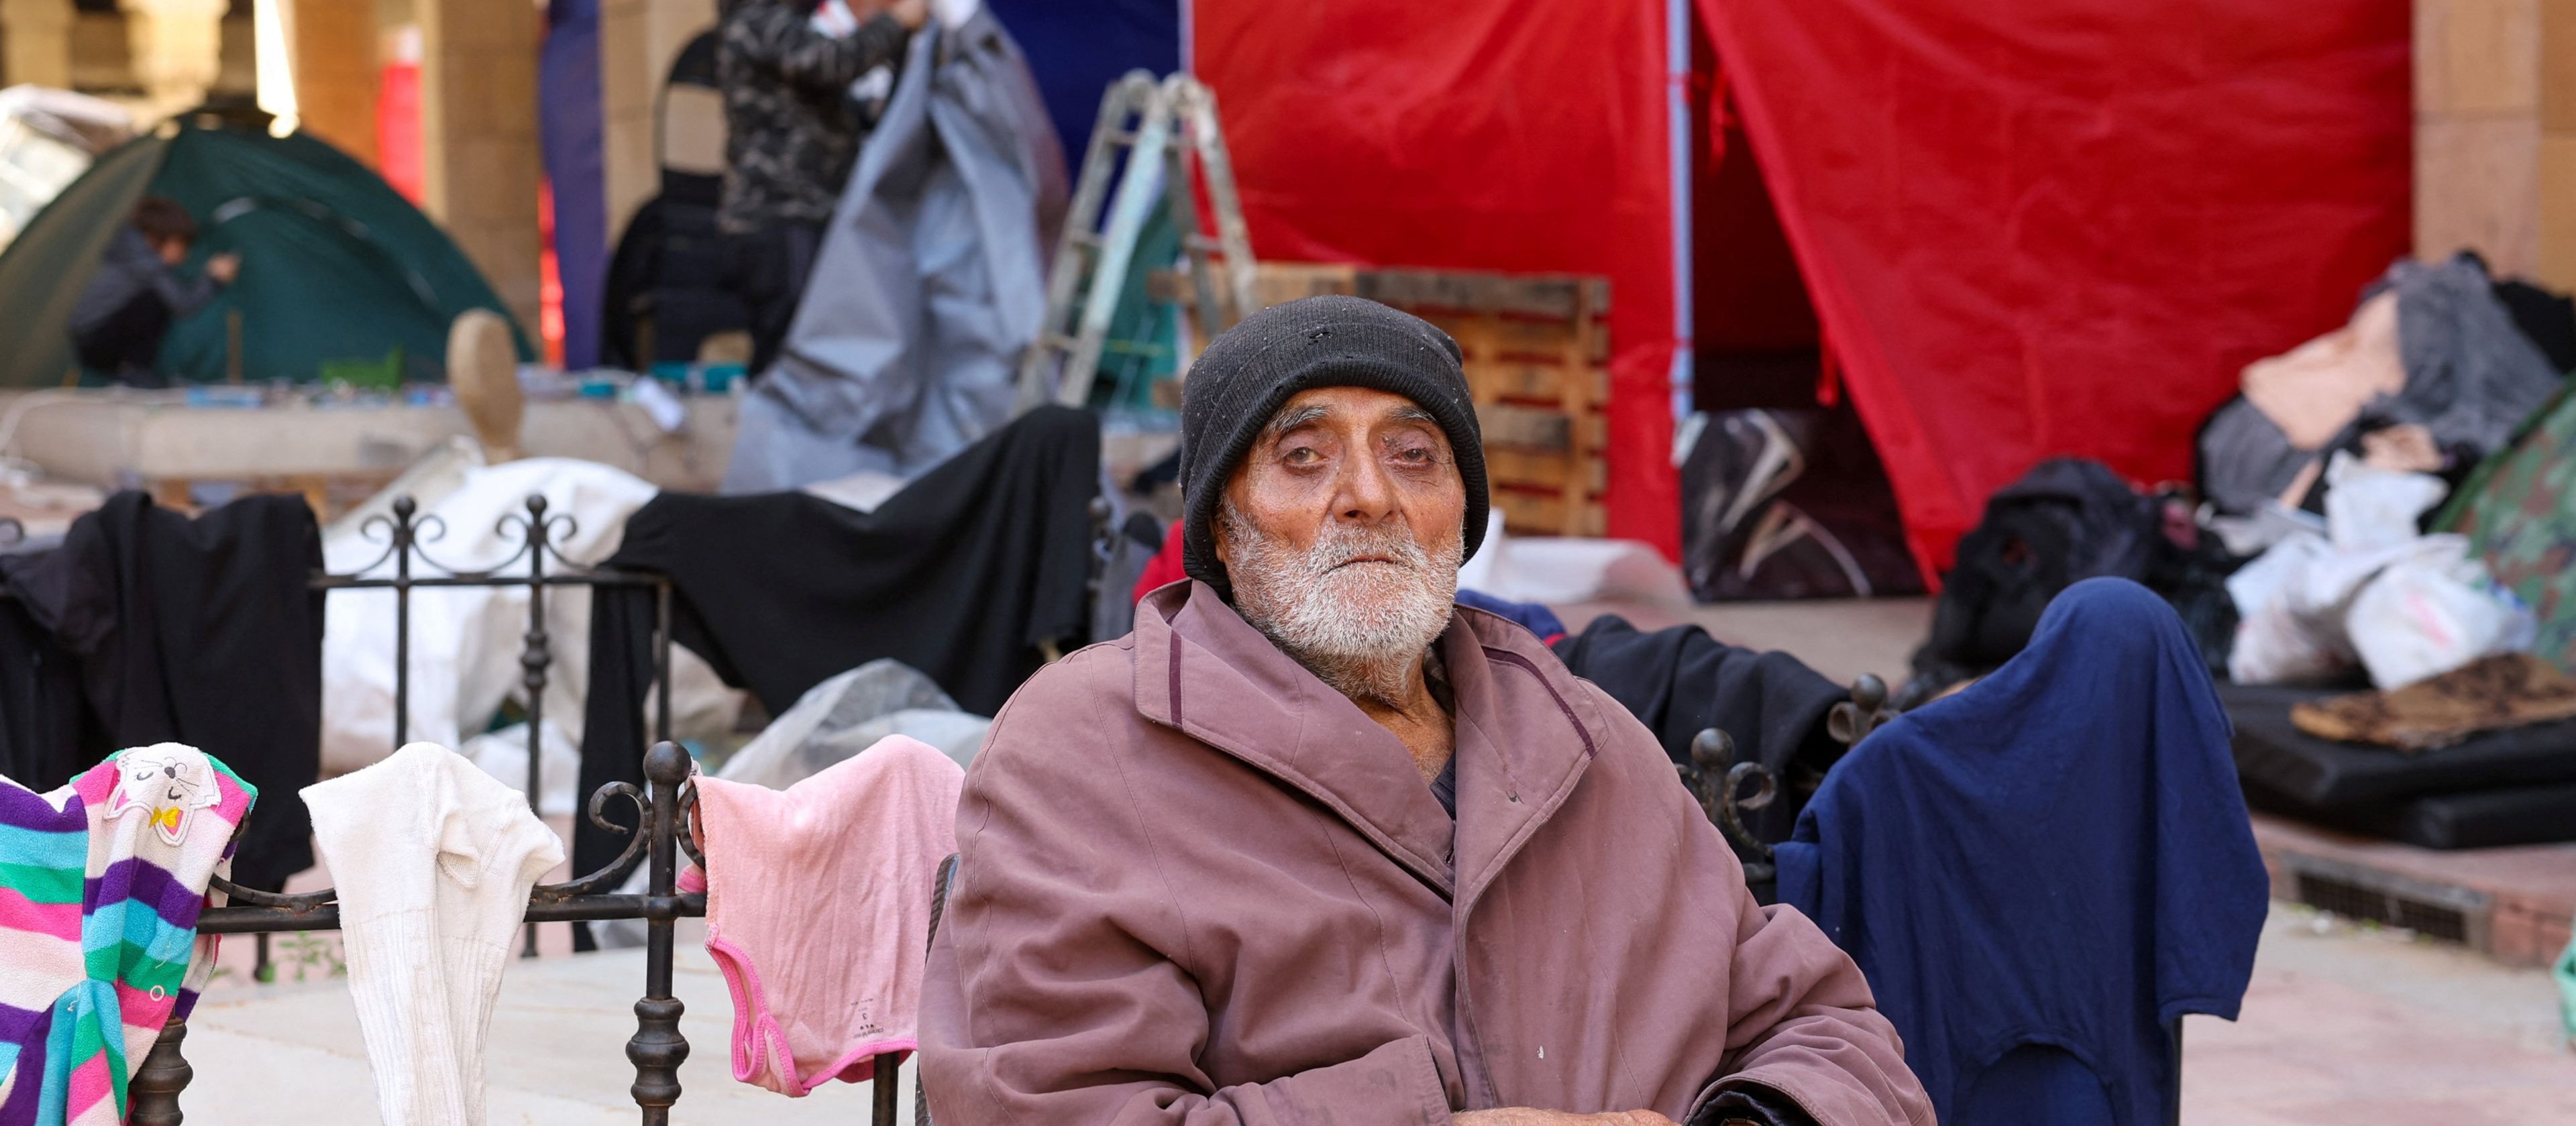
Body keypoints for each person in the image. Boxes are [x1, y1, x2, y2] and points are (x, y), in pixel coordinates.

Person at [920, 296, 1935, 1126]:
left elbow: (1827, 1028)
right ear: (1221, 530)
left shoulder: (1587, 740)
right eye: (1303, 456)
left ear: (1461, 513)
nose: (1369, 494)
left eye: (1414, 454)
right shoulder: (1084, 751)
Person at [714, 0, 927, 375]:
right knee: (792, 353)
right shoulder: (756, 22)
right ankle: (775, 432)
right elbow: (828, 62)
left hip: (809, 217)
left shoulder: (784, 25)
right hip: (780, 218)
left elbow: (839, 109)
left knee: (816, 348)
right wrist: (896, 23)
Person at [67, 196, 237, 387]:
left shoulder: (133, 253)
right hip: (96, 342)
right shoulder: (146, 264)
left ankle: (132, 374)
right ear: (155, 237)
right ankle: (132, 373)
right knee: (155, 300)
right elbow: (184, 305)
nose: (185, 254)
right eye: (181, 244)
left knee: (157, 297)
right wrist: (213, 280)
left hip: (91, 339)